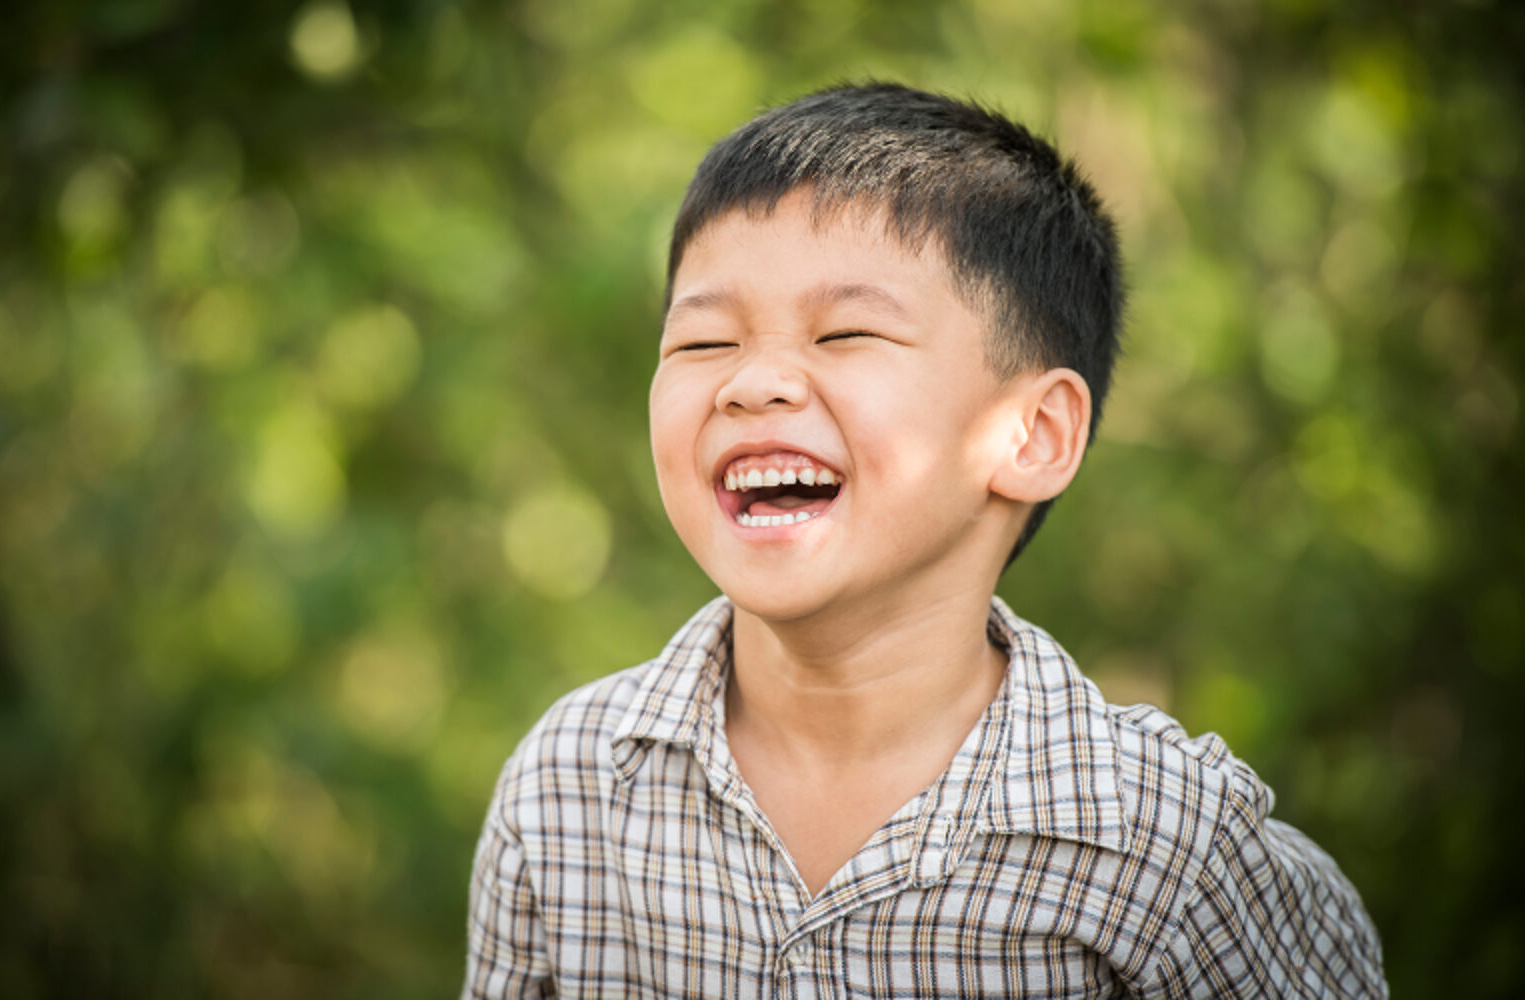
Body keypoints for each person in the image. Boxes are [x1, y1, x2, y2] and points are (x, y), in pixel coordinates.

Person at [464, 82, 1386, 998]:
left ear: (1032, 435)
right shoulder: (566, 791)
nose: (753, 383)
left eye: (846, 332)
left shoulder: (1163, 844)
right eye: (704, 344)